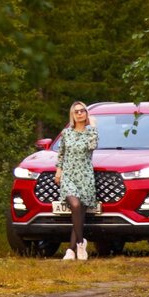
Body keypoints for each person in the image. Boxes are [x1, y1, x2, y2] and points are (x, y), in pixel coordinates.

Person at [55, 101, 99, 261]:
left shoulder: (90, 133)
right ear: (72, 115)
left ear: (86, 114)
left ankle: (71, 250)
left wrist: (93, 127)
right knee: (75, 205)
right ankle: (81, 243)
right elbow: (61, 154)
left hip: (85, 177)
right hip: (69, 176)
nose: (80, 113)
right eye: (76, 111)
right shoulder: (66, 133)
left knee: (79, 213)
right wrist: (59, 172)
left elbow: (93, 146)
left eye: (82, 111)